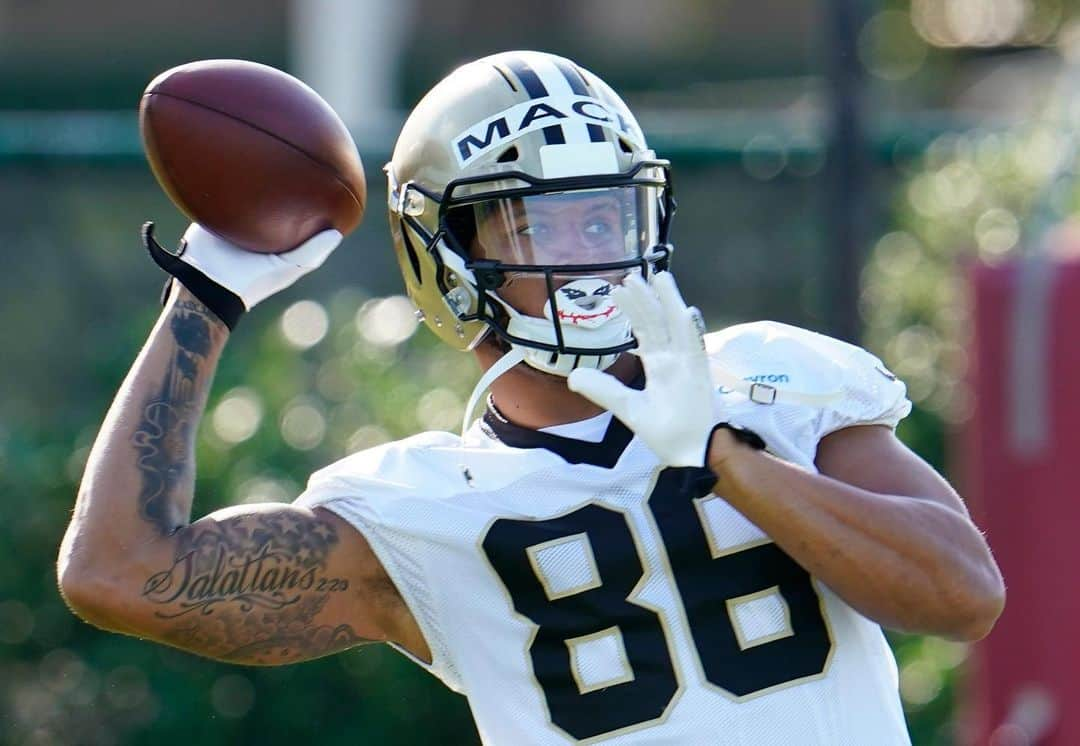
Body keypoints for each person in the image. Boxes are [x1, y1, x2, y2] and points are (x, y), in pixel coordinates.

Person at [58, 50, 1005, 744]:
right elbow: (119, 576)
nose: (588, 249)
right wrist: (205, 300)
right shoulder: (420, 509)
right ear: (450, 259)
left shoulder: (770, 381)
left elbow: (963, 595)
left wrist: (718, 453)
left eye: (605, 213)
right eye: (537, 222)